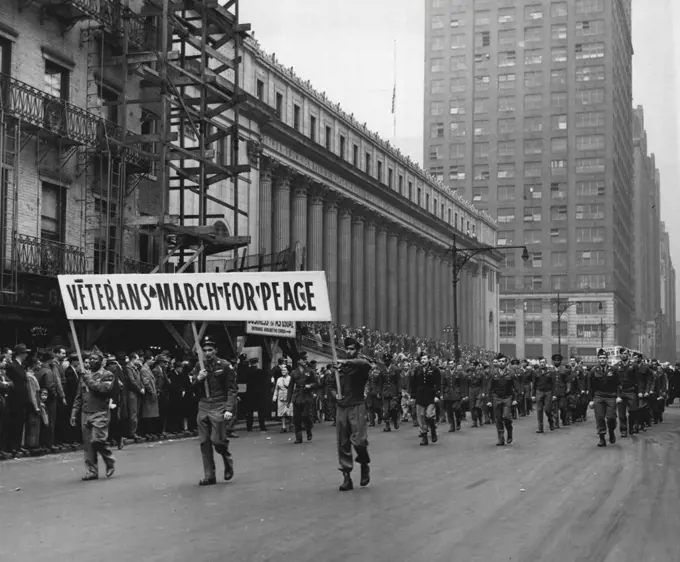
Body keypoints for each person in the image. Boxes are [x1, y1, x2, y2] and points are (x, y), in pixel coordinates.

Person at [191, 337, 238, 486]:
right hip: (204, 405)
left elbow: (232, 389)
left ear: (215, 351)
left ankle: (226, 457)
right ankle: (209, 475)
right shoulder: (199, 365)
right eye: (204, 350)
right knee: (204, 442)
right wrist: (198, 379)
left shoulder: (225, 366)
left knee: (217, 440)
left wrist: (229, 409)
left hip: (219, 404)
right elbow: (191, 387)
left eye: (210, 350)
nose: (207, 353)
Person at [327, 337, 371, 492]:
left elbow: (366, 364)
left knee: (359, 441)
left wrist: (344, 362)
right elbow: (331, 384)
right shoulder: (338, 369)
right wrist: (335, 394)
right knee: (343, 442)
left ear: (357, 350)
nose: (349, 351)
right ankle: (346, 477)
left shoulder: (360, 365)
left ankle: (364, 463)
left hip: (357, 405)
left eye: (352, 349)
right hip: (342, 407)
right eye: (347, 349)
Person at [70, 352, 117, 480]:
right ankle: (92, 471)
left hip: (100, 412)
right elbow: (79, 396)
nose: (91, 361)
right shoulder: (85, 376)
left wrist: (87, 379)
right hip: (86, 412)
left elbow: (103, 389)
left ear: (101, 362)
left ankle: (109, 460)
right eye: (90, 359)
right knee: (88, 445)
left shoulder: (107, 375)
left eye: (94, 359)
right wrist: (74, 412)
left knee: (98, 439)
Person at [587, 348, 621, 448]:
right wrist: (590, 400)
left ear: (607, 359)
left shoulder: (613, 370)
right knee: (600, 417)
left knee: (611, 417)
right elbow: (590, 386)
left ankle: (611, 431)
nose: (602, 360)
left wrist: (618, 396)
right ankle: (602, 438)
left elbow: (619, 384)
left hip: (611, 396)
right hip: (599, 397)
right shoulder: (593, 370)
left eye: (604, 358)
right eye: (600, 358)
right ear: (598, 359)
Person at [286, 352, 316, 444]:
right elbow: (291, 386)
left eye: (305, 360)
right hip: (298, 396)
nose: (305, 361)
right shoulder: (294, 373)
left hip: (307, 396)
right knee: (297, 418)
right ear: (299, 361)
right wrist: (288, 400)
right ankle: (298, 437)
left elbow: (315, 383)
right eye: (303, 360)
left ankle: (308, 429)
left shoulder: (310, 371)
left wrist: (310, 385)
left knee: (306, 415)